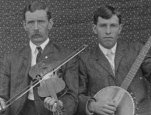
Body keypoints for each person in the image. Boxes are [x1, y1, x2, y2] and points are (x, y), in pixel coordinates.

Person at [0, 1, 79, 115]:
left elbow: (72, 97)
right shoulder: (10, 59)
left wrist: (60, 105)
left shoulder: (67, 56)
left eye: (41, 22)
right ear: (24, 25)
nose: (36, 28)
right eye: (31, 22)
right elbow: (2, 95)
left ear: (50, 23)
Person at [77, 5, 151, 115]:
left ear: (120, 28)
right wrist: (92, 105)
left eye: (113, 25)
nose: (108, 31)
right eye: (103, 26)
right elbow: (75, 97)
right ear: (94, 28)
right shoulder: (84, 60)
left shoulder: (137, 49)